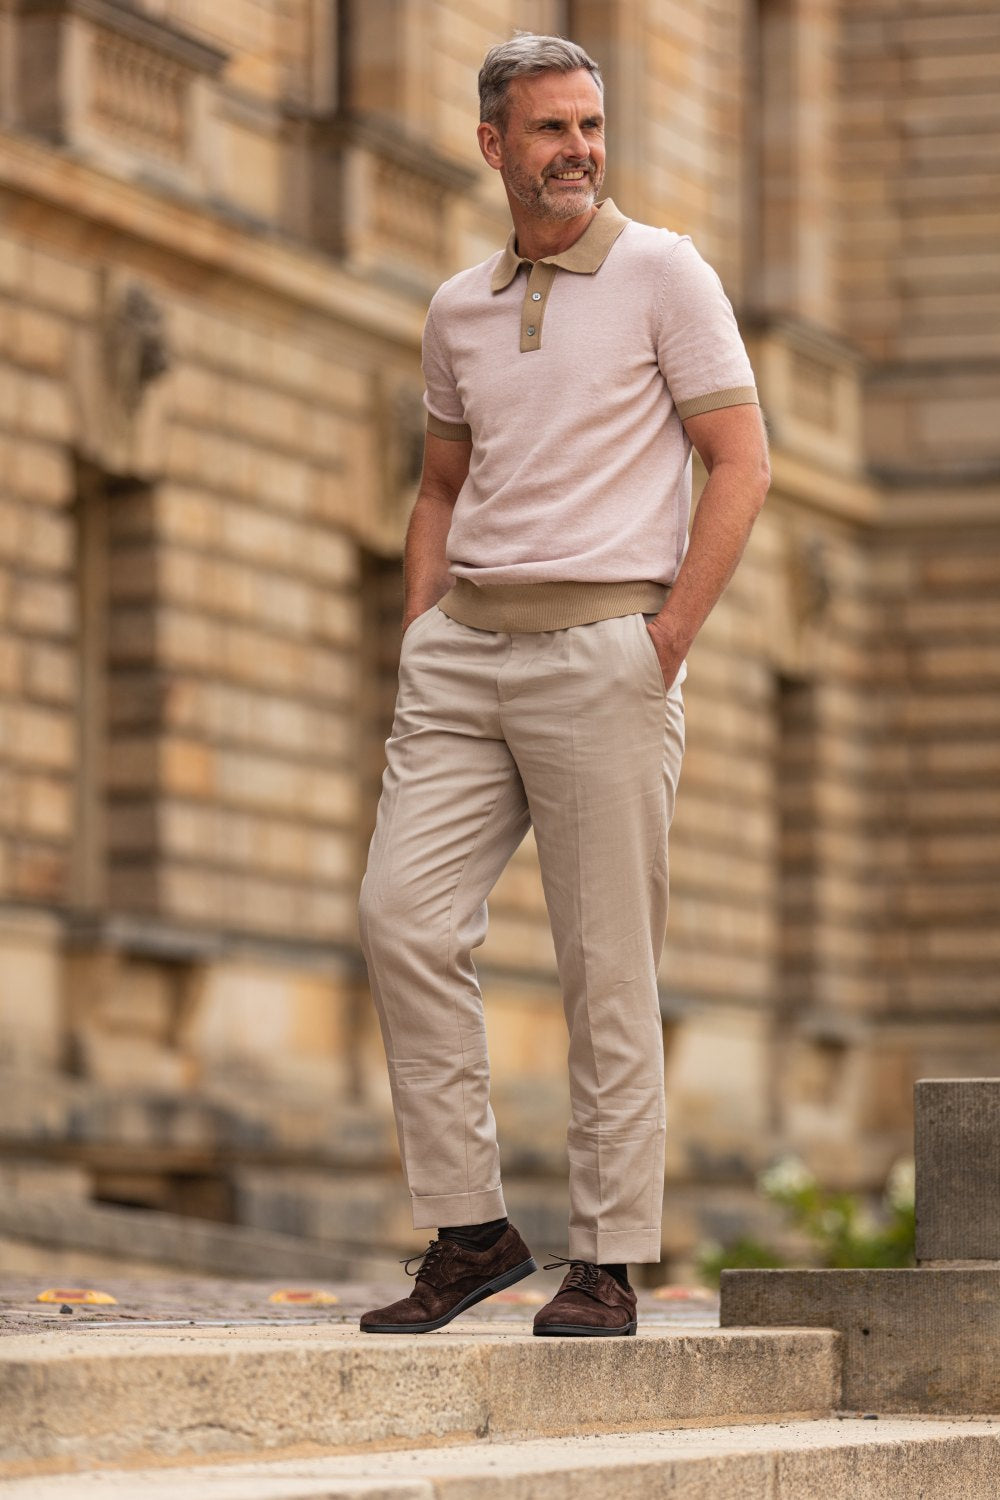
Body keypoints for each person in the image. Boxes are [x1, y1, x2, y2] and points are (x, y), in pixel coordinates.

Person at [358, 33, 769, 1338]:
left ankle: (607, 1258)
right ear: (493, 145)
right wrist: (421, 631)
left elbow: (741, 461)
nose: (579, 151)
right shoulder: (456, 307)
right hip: (463, 651)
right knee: (402, 921)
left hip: (607, 648)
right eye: (550, 130)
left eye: (591, 125)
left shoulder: (665, 273)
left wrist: (666, 642)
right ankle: (473, 1232)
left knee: (606, 966)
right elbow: (438, 484)